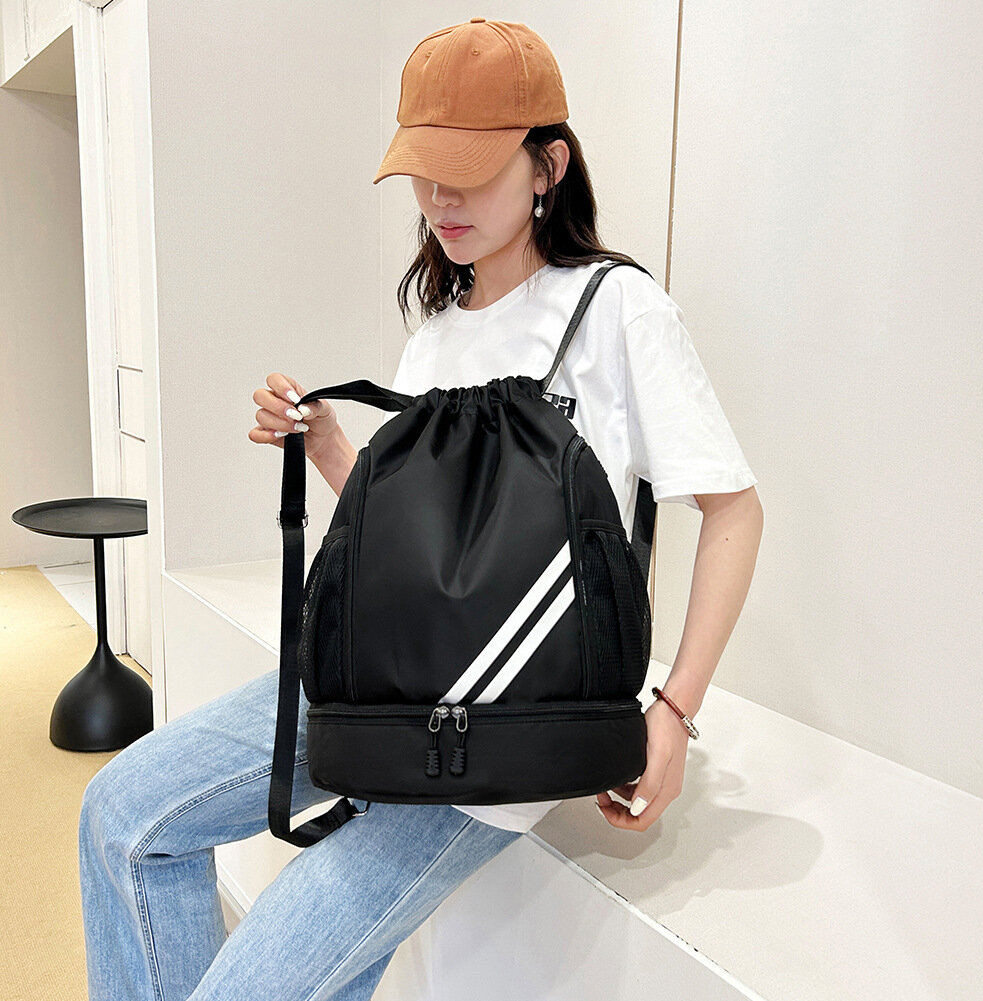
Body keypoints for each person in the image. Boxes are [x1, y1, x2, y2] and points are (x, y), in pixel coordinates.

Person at [78, 18, 763, 1001]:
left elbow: (732, 511)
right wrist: (326, 445)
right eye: (424, 173)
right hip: (386, 683)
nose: (440, 200)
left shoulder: (619, 311)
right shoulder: (436, 334)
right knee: (119, 813)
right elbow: (421, 546)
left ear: (548, 165)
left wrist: (674, 708)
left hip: (508, 722)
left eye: (468, 173)